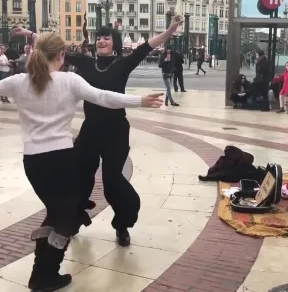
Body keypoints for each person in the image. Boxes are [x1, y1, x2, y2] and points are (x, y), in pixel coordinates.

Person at [0, 32, 163, 292]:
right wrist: (139, 101)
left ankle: (43, 274)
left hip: (33, 163)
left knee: (56, 213)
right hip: (61, 159)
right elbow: (104, 97)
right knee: (64, 218)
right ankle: (44, 277)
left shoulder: (20, 81)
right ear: (60, 56)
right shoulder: (69, 81)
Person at [12, 14, 183, 247]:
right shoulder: (85, 62)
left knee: (112, 181)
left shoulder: (123, 63)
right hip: (90, 130)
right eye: (99, 37)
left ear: (115, 42)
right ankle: (72, 221)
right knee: (79, 176)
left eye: (106, 37)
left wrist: (171, 29)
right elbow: (55, 47)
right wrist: (29, 34)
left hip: (116, 131)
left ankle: (122, 224)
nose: (101, 40)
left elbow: (149, 45)